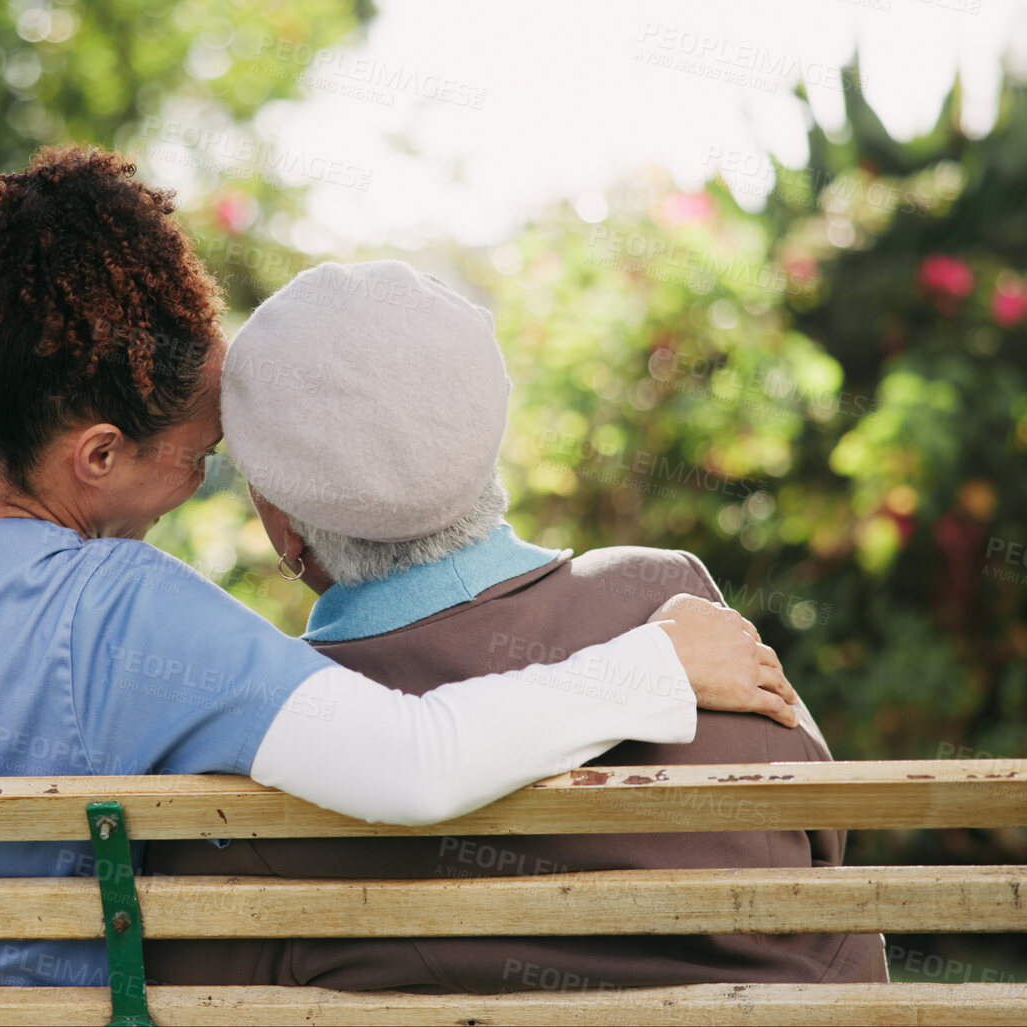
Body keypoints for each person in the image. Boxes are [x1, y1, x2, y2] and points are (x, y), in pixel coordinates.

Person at [0, 148, 798, 989]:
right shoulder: (117, 612)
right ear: (99, 455)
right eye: (203, 459)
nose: (215, 486)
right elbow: (415, 765)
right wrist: (651, 661)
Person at [146, 259, 888, 991]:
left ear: (281, 525)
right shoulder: (670, 600)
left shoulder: (269, 745)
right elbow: (818, 837)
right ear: (482, 442)